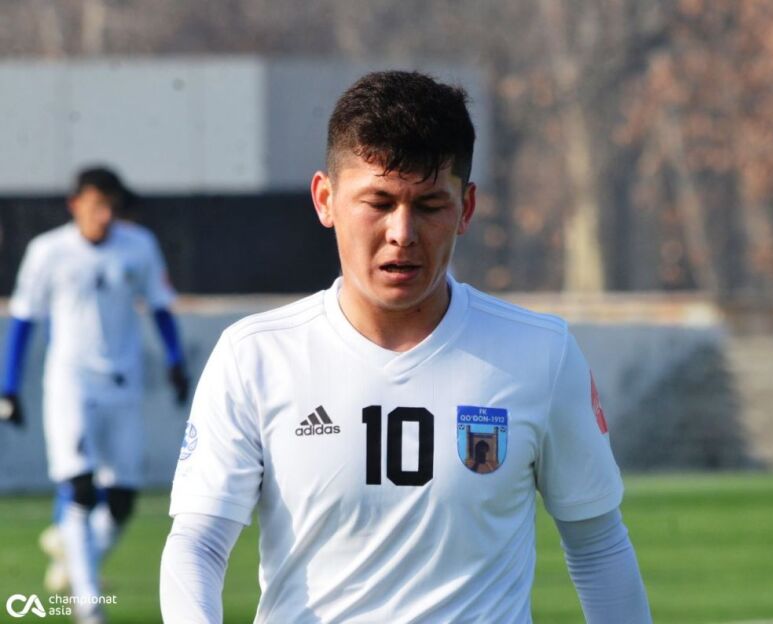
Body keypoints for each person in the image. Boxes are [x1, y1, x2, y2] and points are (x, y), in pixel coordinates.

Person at [160, 70, 651, 623]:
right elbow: (198, 543)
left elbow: (598, 546)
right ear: (325, 199)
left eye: (430, 205)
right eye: (378, 201)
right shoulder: (256, 357)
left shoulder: (541, 353)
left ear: (466, 209)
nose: (402, 232)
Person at [0, 166, 189, 624]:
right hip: (71, 384)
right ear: (75, 205)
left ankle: (73, 555)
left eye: (111, 206)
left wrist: (175, 361)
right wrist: (8, 386)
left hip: (122, 384)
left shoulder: (138, 246)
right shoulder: (48, 251)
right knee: (80, 488)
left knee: (121, 499)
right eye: (96, 205)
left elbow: (160, 305)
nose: (104, 215)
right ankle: (87, 607)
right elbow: (24, 318)